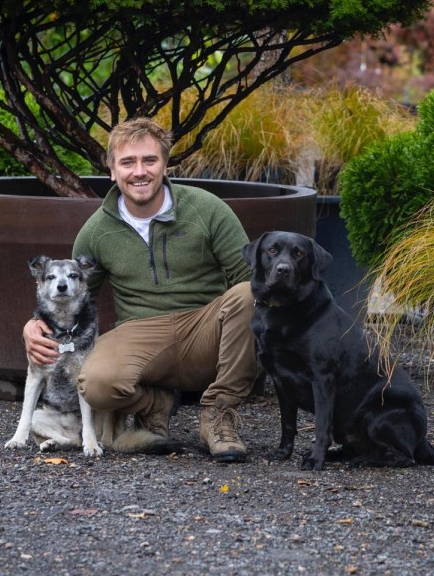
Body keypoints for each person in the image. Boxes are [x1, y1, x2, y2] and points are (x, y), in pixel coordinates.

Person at [22, 117, 257, 462]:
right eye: (127, 162)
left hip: (205, 328)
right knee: (96, 383)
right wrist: (32, 326)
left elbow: (246, 277)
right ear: (112, 172)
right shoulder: (96, 231)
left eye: (150, 160)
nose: (140, 171)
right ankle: (155, 404)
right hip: (140, 333)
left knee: (250, 293)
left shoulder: (207, 209)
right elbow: (70, 299)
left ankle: (219, 417)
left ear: (165, 164)